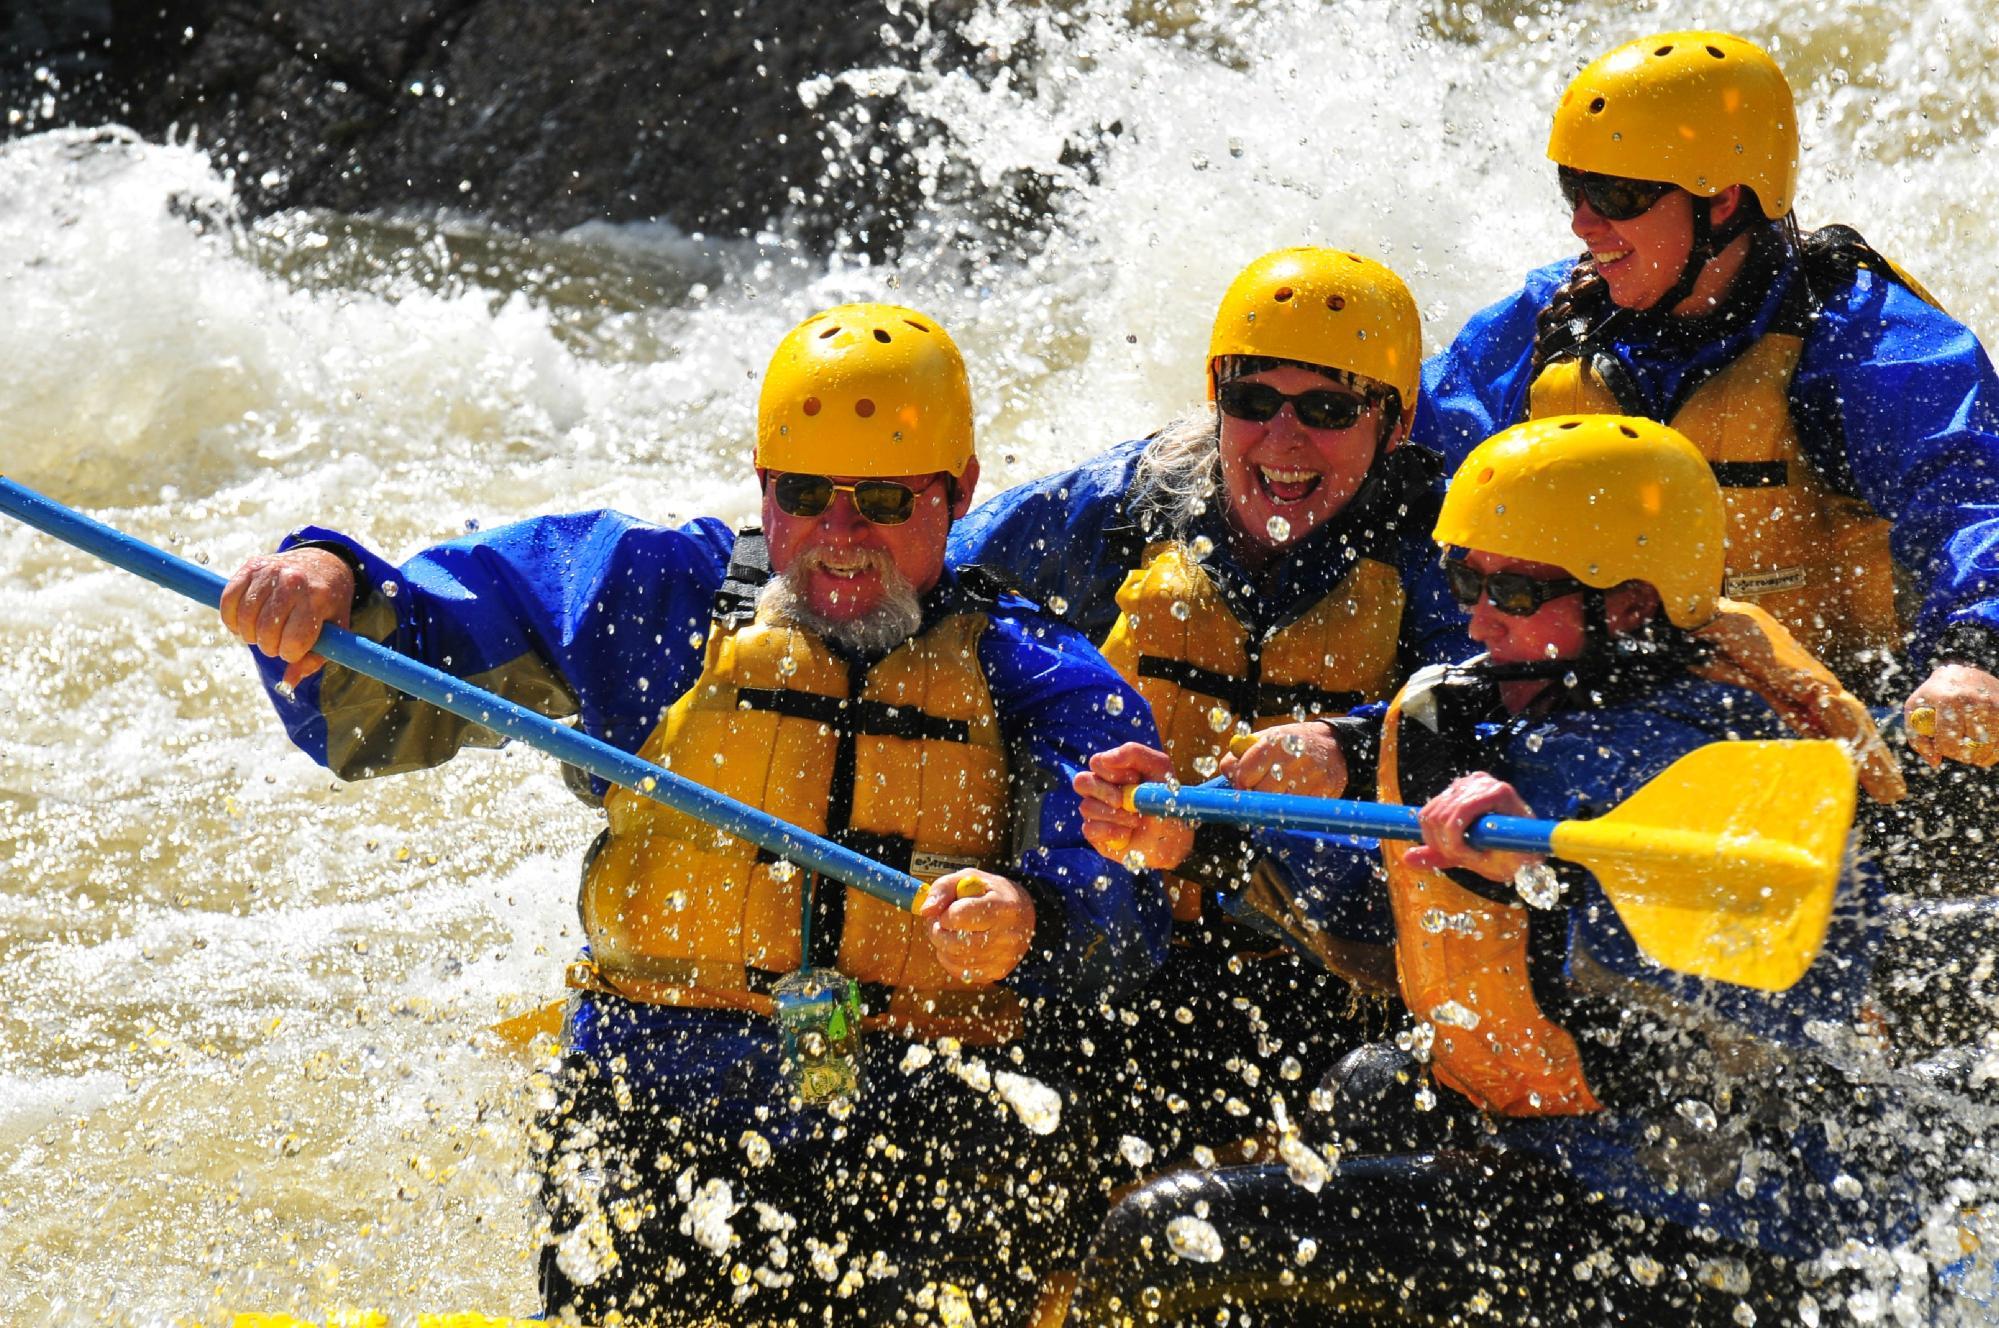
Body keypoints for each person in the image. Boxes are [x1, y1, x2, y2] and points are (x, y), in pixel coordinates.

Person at [219, 302, 1170, 1326]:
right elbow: (422, 640)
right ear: (764, 487)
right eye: (806, 495)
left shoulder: (1042, 677)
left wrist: (1033, 915)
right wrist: (334, 587)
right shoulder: (656, 604)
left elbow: (1120, 915)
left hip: (919, 1122)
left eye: (885, 500)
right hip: (656, 1103)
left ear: (959, 492)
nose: (842, 539)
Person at [1069, 415, 1919, 1325]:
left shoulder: (1729, 749)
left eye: (1511, 590)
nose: (1475, 616)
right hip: (1551, 1156)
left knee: (1157, 1240)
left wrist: (1549, 880)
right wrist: (1197, 841)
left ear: (1629, 603)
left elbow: (1781, 999)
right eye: (1464, 578)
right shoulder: (1500, 704)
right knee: (1367, 1090)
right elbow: (1392, 928)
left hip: (1699, 1225)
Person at [1415, 30, 1999, 928]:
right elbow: (1417, 473)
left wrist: (1972, 655)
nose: (1582, 224)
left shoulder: (1865, 340)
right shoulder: (1547, 323)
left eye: (1614, 195)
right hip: (1612, 712)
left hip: (1842, 741)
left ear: (1723, 201)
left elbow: (1969, 500)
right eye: (1573, 189)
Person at [950, 248, 1466, 1161]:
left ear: (1395, 423)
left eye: (1329, 410)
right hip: (1126, 964)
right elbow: (930, 560)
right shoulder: (1130, 506)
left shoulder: (1445, 556)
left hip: (1329, 984)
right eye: (1252, 401)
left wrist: (1351, 742)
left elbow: (1502, 718)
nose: (1281, 441)